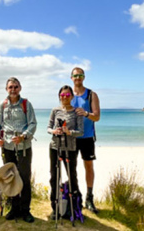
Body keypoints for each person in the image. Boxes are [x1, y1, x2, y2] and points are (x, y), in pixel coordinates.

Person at [0, 77, 37, 223]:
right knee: (10, 178)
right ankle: (14, 208)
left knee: (24, 178)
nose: (13, 90)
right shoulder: (2, 105)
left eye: (15, 87)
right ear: (6, 89)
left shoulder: (26, 104)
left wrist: (24, 136)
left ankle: (25, 210)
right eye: (10, 87)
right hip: (7, 147)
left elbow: (33, 124)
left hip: (24, 147)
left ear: (20, 88)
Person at [47, 85, 84, 220]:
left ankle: (74, 207)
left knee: (72, 177)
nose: (65, 98)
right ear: (59, 96)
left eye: (67, 95)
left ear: (72, 97)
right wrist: (54, 131)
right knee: (54, 177)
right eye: (62, 95)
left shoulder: (77, 112)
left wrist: (70, 132)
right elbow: (48, 127)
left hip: (70, 148)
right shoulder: (55, 110)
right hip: (55, 147)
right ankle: (55, 208)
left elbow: (81, 131)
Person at [70, 67, 101, 214]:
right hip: (71, 137)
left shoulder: (91, 95)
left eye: (80, 75)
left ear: (84, 77)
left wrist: (86, 113)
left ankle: (89, 198)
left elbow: (97, 117)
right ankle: (76, 197)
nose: (78, 78)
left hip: (87, 136)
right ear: (71, 78)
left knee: (88, 167)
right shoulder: (67, 94)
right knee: (72, 168)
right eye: (75, 76)